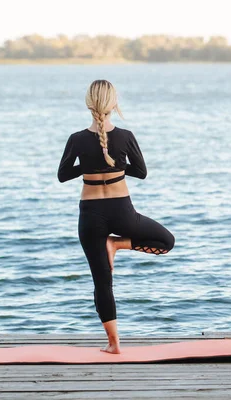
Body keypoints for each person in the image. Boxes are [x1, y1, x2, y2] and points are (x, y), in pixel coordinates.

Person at [57, 79, 175, 354]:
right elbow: (141, 172)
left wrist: (86, 166)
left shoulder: (77, 139)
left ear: (89, 104)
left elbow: (63, 175)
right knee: (167, 242)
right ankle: (119, 243)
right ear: (113, 104)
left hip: (90, 216)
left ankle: (114, 345)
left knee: (102, 282)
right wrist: (119, 165)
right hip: (122, 213)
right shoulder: (125, 136)